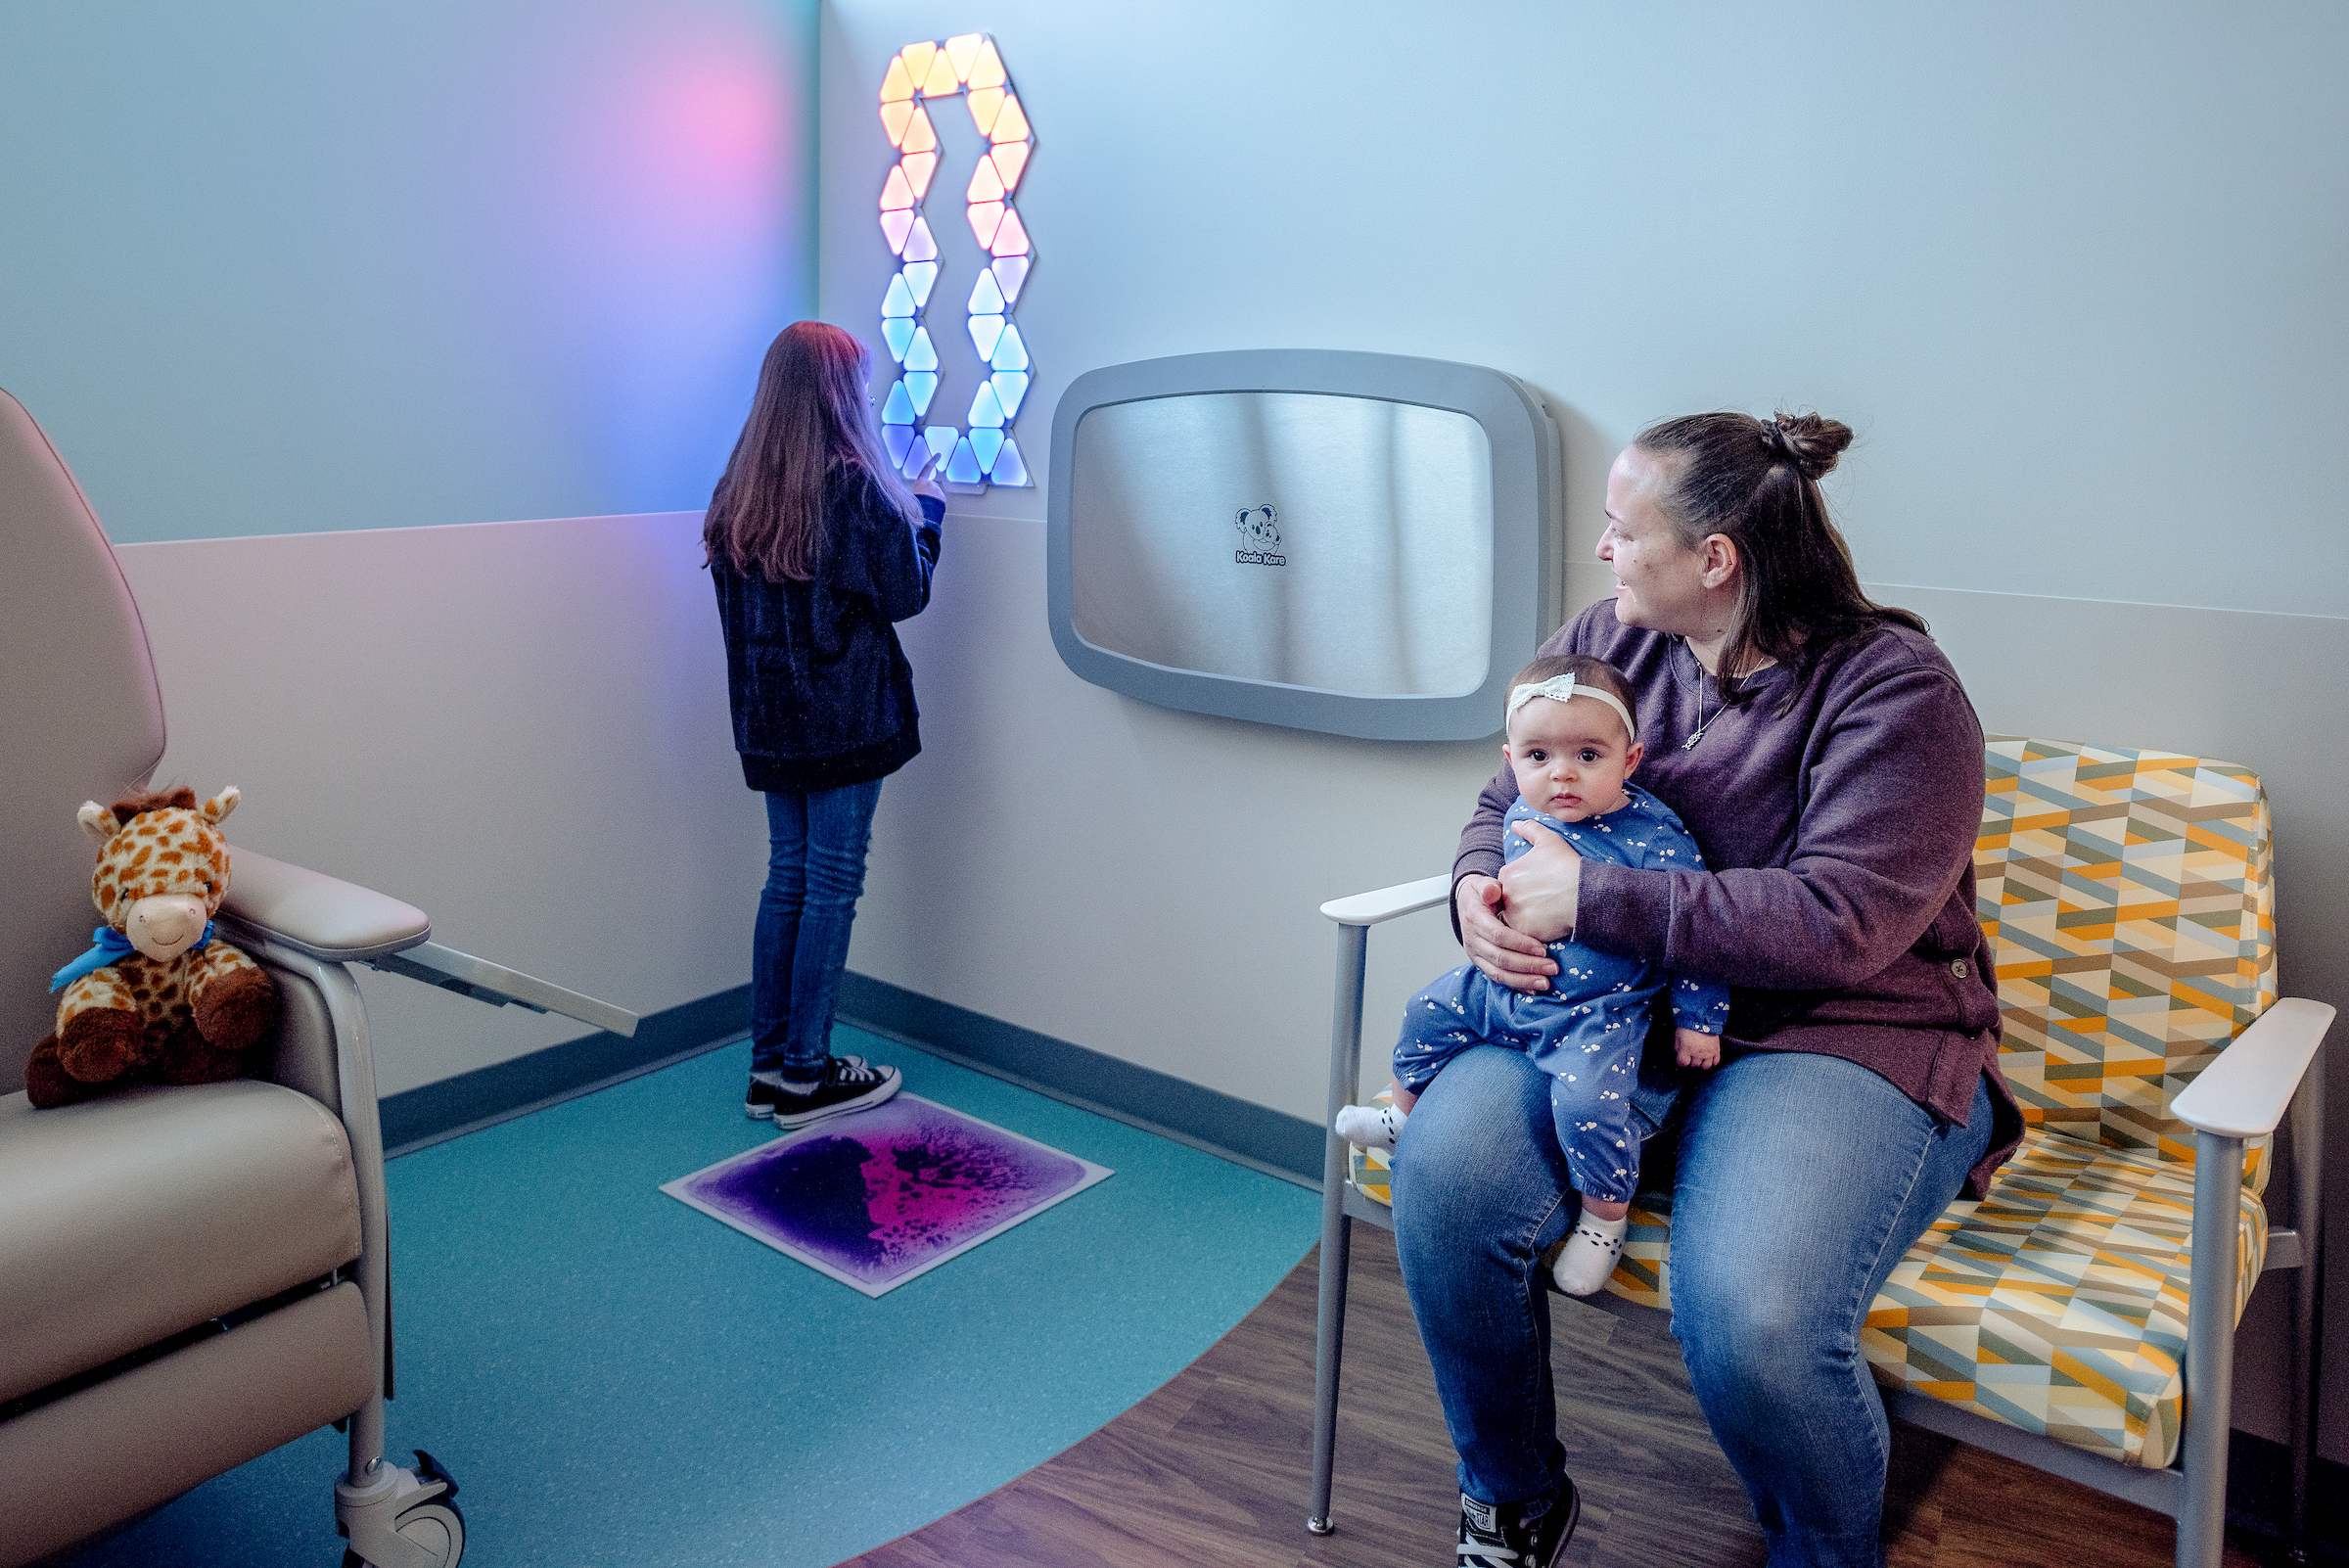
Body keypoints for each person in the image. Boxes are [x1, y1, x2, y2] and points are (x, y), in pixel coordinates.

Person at [1395, 409, 2021, 1568]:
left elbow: (1842, 924)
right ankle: (1513, 1496)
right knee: (1444, 1176)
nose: (1602, 553)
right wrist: (1480, 900)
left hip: (1839, 1035)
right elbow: (1507, 806)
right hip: (1616, 1015)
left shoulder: (1898, 694)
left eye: (1620, 530)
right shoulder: (1607, 647)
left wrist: (1590, 900)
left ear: (1714, 558)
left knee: (1759, 1320)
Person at [1334, 653, 1728, 1296]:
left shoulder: (1655, 837)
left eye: (1588, 757)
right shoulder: (1522, 807)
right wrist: (1477, 896)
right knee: (1428, 1008)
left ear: (1630, 760)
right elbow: (1487, 853)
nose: (1562, 775)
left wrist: (1698, 1020)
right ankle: (1404, 1110)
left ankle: (1604, 1220)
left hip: (1594, 1013)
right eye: (1538, 756)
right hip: (1500, 991)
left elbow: (1697, 931)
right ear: (1511, 759)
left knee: (1588, 1105)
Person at [705, 321, 944, 1129]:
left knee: (789, 877)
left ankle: (768, 1069)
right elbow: (906, 593)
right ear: (840, 394)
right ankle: (809, 1075)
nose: (871, 398)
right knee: (831, 886)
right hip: (843, 723)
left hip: (769, 721)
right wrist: (931, 516)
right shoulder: (851, 486)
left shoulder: (739, 489)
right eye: (864, 385)